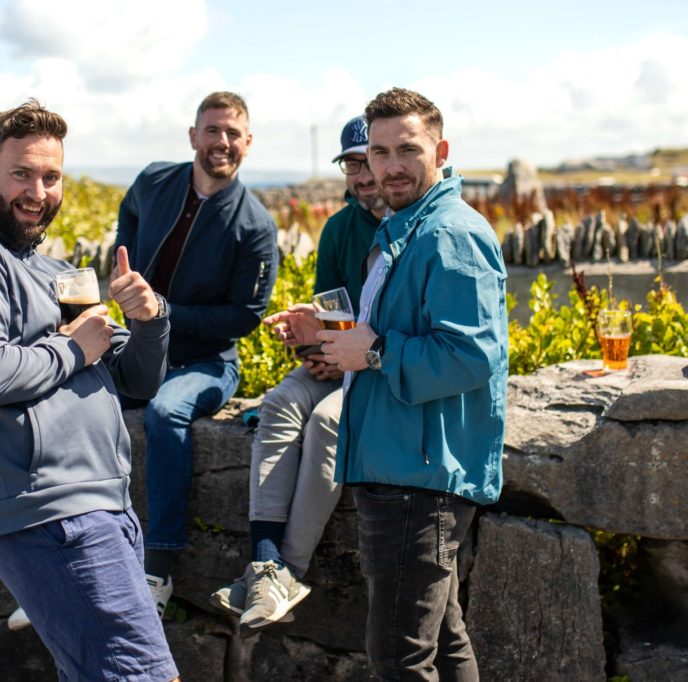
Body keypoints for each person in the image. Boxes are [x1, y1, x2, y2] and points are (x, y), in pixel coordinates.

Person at [0, 99, 180, 682]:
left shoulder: (49, 268)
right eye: (22, 174)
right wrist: (73, 348)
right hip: (52, 513)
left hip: (100, 503)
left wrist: (150, 319)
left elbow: (135, 380)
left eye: (51, 177)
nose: (37, 192)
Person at [280, 87, 508, 680]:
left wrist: (376, 350)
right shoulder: (408, 227)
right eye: (379, 153)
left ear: (441, 151)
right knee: (443, 642)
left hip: (418, 476)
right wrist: (323, 333)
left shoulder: (450, 234)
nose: (392, 166)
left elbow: (472, 356)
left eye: (408, 149)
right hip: (402, 462)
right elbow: (383, 335)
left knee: (397, 659)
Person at [209, 115, 386, 633]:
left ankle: (285, 571)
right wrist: (312, 339)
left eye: (368, 162)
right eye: (351, 165)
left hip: (382, 367)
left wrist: (346, 351)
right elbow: (333, 311)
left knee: (328, 422)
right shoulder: (339, 228)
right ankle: (263, 561)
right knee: (282, 401)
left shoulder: (407, 227)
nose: (362, 176)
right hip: (342, 360)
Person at [115, 91, 280, 615]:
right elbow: (129, 218)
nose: (221, 142)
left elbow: (244, 316)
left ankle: (158, 570)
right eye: (212, 130)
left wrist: (163, 310)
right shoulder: (153, 181)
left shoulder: (255, 225)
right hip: (139, 350)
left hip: (208, 364)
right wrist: (124, 273)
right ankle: (71, 553)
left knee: (166, 412)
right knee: (71, 399)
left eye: (233, 133)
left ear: (247, 143)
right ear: (193, 136)